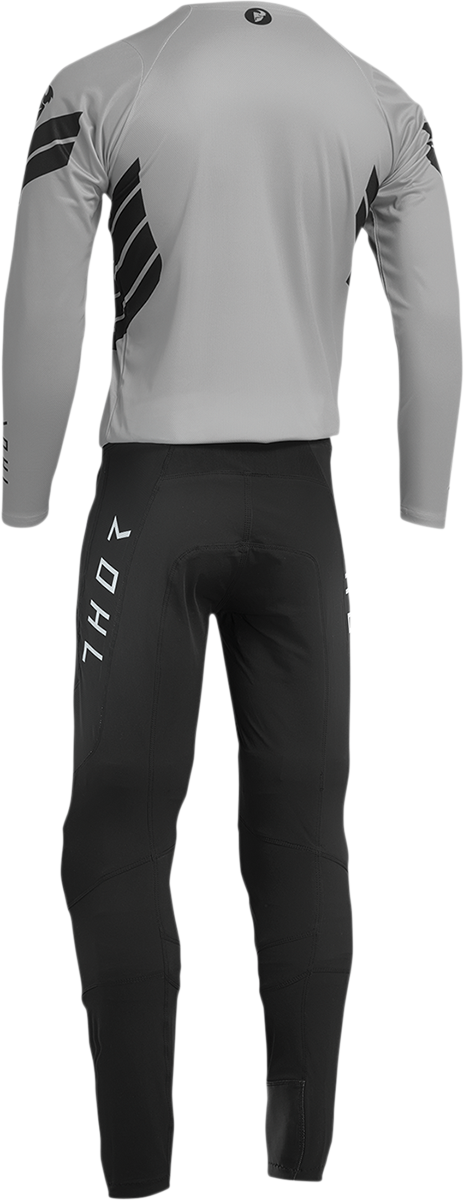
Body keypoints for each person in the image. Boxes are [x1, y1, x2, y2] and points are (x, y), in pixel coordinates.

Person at [1, 4, 461, 1197]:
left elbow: (41, 307)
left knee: (115, 831)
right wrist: (421, 486)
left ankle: (136, 1171)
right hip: (300, 515)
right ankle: (297, 1162)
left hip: (149, 507)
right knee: (300, 835)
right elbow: (432, 309)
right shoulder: (376, 100)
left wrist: (19, 489)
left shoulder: (96, 84)